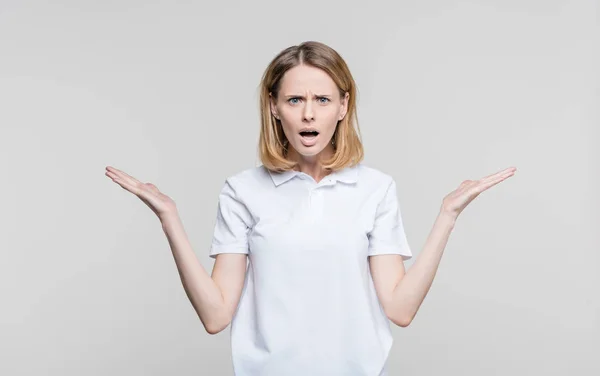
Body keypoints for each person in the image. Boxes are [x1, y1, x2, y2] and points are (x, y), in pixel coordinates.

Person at [105, 41, 516, 375]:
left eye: (322, 98)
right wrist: (169, 218)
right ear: (273, 106)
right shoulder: (243, 190)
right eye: (295, 99)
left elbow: (400, 308)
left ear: (343, 106)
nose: (308, 113)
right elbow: (215, 316)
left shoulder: (374, 188)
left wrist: (447, 216)